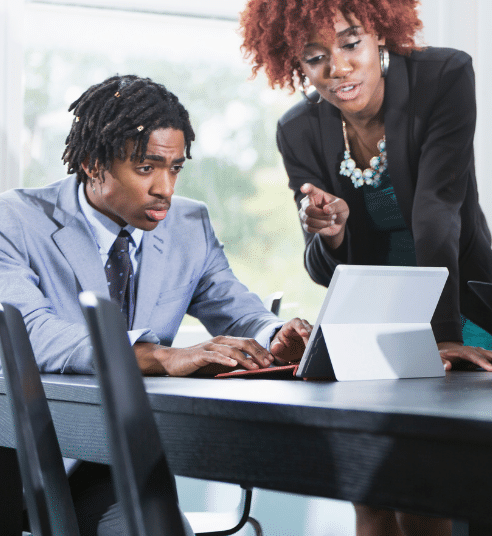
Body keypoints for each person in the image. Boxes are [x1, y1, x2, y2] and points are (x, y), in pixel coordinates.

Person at [239, 0, 492, 536]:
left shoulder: (444, 77)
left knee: (433, 489)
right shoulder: (299, 133)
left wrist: (438, 341)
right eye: (315, 56)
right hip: (366, 318)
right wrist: (331, 235)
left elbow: (438, 214)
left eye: (350, 43)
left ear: (381, 32)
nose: (337, 68)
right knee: (371, 492)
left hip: (456, 300)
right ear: (296, 64)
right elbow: (322, 268)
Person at [0, 74, 312, 535]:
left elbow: (233, 304)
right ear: (91, 162)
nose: (165, 187)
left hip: (109, 464)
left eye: (175, 168)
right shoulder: (17, 220)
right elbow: (32, 333)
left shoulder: (188, 223)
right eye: (147, 168)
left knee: (157, 528)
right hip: (16, 462)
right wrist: (162, 355)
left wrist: (273, 334)